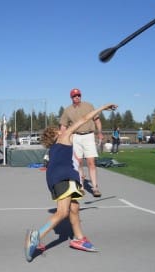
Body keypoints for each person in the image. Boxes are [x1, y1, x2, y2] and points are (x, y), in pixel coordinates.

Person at [24, 103, 117, 262]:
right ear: (55, 135)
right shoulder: (64, 136)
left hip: (55, 178)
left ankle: (79, 238)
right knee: (62, 213)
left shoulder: (54, 148)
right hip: (65, 177)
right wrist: (103, 108)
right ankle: (37, 235)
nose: (62, 128)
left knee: (74, 207)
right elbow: (84, 119)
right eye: (57, 129)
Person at [60, 88, 103, 197]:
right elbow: (63, 126)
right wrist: (63, 139)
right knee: (78, 162)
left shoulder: (89, 106)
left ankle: (95, 187)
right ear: (71, 98)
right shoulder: (67, 110)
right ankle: (81, 187)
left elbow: (97, 120)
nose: (77, 97)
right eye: (75, 96)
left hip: (88, 136)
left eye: (78, 95)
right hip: (76, 137)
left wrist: (100, 132)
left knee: (91, 162)